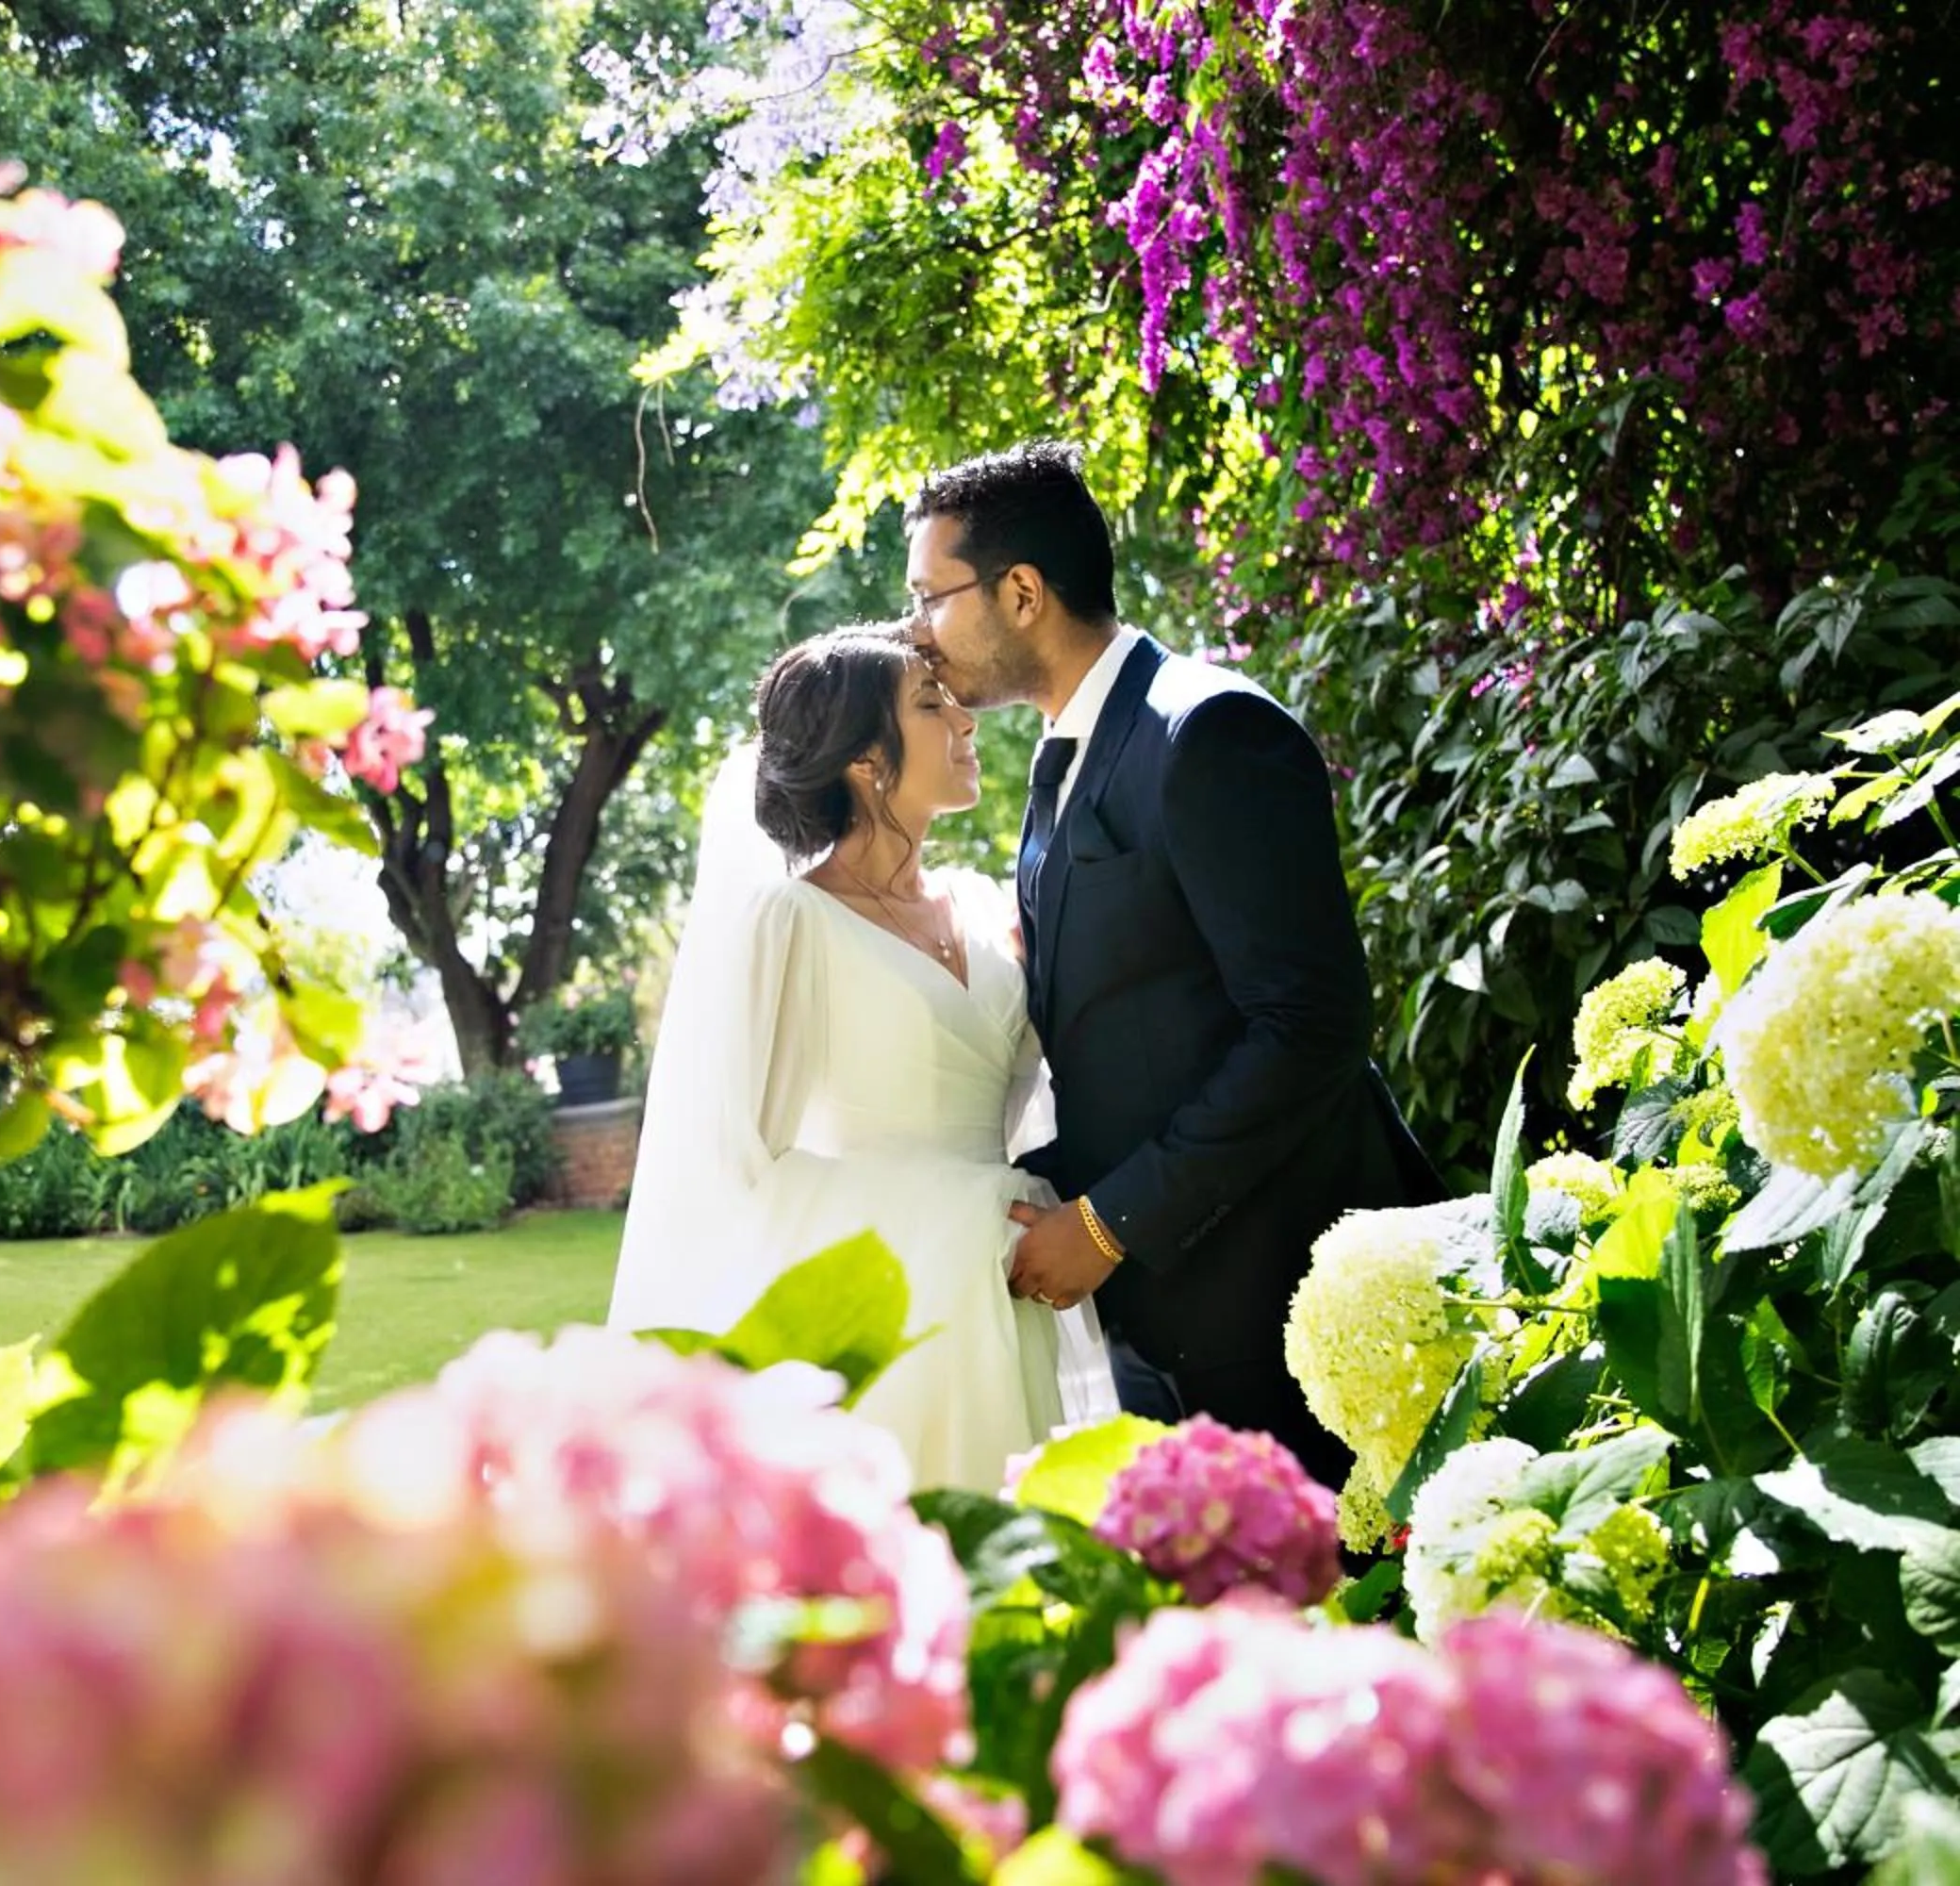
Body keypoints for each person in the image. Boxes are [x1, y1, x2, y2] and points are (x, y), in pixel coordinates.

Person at [902, 441, 1441, 1490]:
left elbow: (1310, 1025)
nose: (917, 629)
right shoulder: (1061, 762)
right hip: (1170, 1312)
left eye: (931, 596)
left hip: (1296, 1298)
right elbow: (1130, 1035)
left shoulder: (1206, 732)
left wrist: (1109, 1223)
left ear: (1020, 592)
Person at [607, 625, 1114, 1490]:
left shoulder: (989, 910)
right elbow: (734, 1166)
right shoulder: (791, 923)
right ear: (864, 761)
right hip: (892, 1302)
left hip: (1002, 1285)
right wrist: (947, 1217)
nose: (966, 721)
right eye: (930, 703)